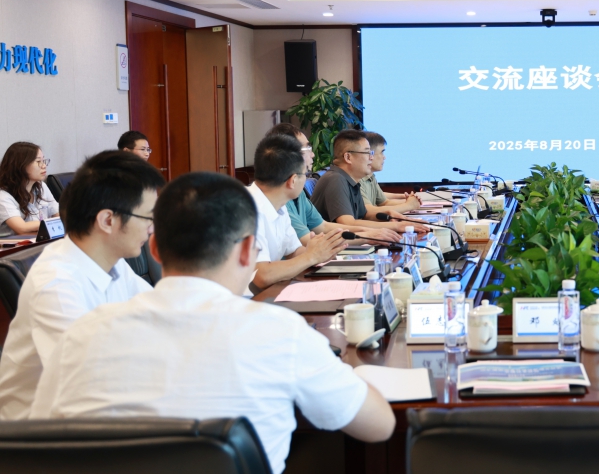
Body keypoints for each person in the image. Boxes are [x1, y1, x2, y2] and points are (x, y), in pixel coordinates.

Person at [29, 172, 395, 474]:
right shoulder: (280, 332)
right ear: (248, 250)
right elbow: (380, 426)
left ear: (154, 249)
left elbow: (41, 443)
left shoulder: (82, 334)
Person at [0, 150, 164, 419]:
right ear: (107, 220)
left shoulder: (111, 262)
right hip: (41, 433)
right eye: (147, 217)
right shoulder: (56, 285)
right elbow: (90, 383)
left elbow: (160, 312)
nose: (152, 228)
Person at [265, 124, 400, 246]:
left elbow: (323, 226)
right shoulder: (279, 196)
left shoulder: (297, 192)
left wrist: (372, 232)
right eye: (307, 148)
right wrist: (368, 236)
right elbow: (309, 242)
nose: (313, 154)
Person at [248, 134, 350, 290]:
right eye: (305, 174)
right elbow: (261, 275)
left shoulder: (280, 206)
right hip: (240, 299)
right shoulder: (248, 209)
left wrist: (322, 250)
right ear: (293, 180)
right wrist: (311, 256)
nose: (306, 180)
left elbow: (294, 251)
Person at [310, 130, 427, 234]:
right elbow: (348, 223)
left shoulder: (351, 180)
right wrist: (397, 226)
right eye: (367, 153)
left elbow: (365, 215)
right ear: (348, 157)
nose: (371, 158)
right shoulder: (335, 179)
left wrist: (391, 215)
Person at [0, 142, 59, 237]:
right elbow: (21, 228)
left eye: (43, 161)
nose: (44, 166)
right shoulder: (3, 196)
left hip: (40, 240)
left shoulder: (41, 186)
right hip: (14, 245)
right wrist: (51, 223)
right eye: (38, 161)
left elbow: (59, 215)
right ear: (21, 165)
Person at [362, 132, 422, 212]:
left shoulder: (371, 176)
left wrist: (411, 201)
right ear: (369, 154)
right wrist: (408, 205)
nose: (384, 157)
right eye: (382, 152)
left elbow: (384, 202)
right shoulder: (357, 179)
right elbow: (369, 211)